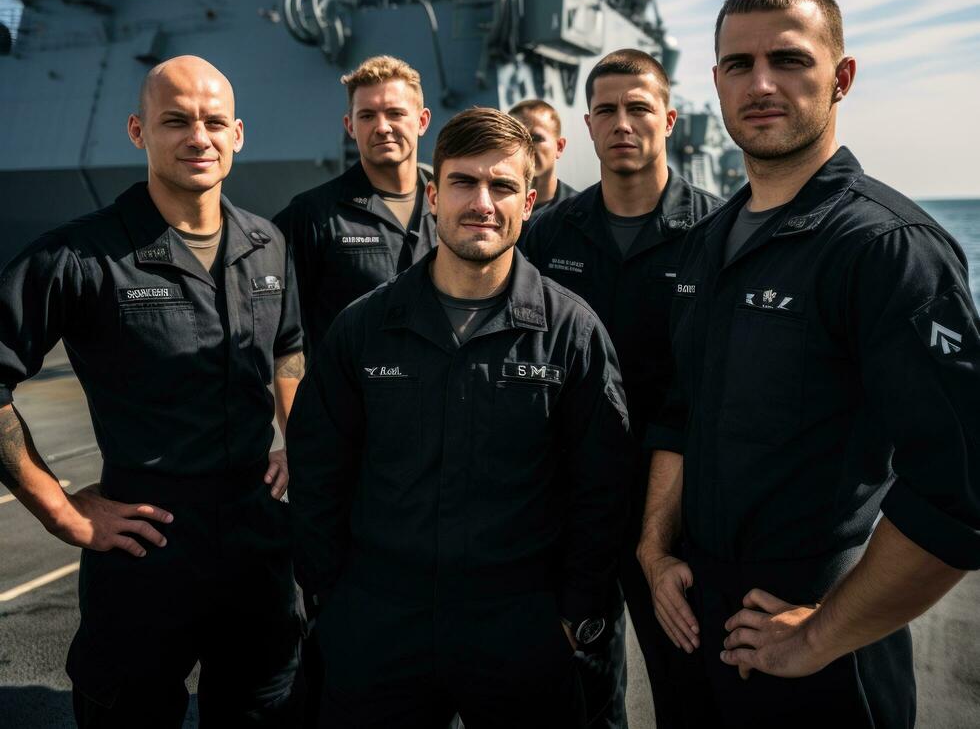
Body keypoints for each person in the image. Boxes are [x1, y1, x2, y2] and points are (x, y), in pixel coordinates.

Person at [637, 0, 980, 729]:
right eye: (737, 65)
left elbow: (962, 485)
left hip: (820, 643)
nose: (760, 84)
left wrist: (823, 634)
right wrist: (655, 553)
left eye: (788, 60)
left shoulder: (890, 249)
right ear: (717, 84)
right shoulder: (705, 245)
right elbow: (679, 410)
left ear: (842, 77)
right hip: (697, 627)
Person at [287, 107, 634, 729]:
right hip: (379, 619)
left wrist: (573, 610)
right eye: (463, 183)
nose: (482, 202)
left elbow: (602, 487)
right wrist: (332, 599)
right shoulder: (364, 328)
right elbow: (318, 467)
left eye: (501, 186)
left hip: (520, 623)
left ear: (528, 202)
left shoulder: (571, 333)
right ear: (432, 196)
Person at [0, 56, 305, 727]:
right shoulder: (79, 257)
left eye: (213, 121)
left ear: (238, 134)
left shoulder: (268, 245)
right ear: (138, 131)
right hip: (142, 549)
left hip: (259, 550)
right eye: (176, 121)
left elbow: (288, 351)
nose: (198, 136)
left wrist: (296, 437)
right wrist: (60, 510)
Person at [522, 49, 720, 728]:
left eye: (639, 108)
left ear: (668, 118)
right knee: (577, 687)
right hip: (571, 498)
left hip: (681, 507)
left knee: (688, 685)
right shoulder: (548, 235)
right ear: (586, 125)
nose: (623, 123)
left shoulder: (717, 235)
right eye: (607, 110)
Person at [274, 55, 437, 355]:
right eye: (367, 116)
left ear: (422, 121)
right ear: (350, 125)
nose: (382, 127)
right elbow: (281, 331)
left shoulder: (449, 211)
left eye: (395, 113)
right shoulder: (312, 215)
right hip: (347, 398)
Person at [508, 98, 578, 221]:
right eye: (517, 138)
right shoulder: (496, 207)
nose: (526, 146)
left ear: (559, 147)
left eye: (536, 138)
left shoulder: (579, 210)